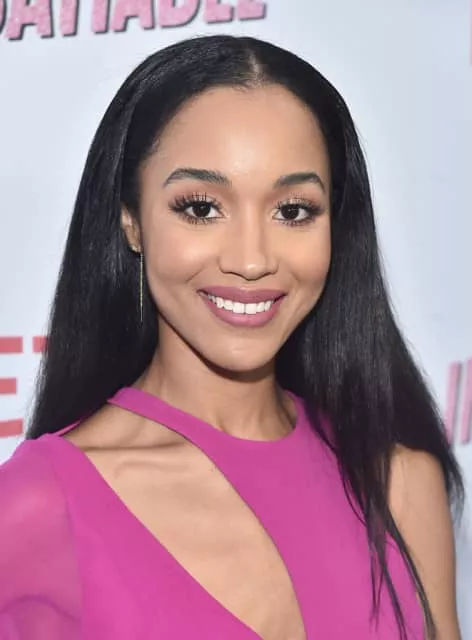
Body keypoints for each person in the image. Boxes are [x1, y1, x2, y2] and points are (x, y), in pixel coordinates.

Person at [0, 34, 464, 640]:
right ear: (131, 221)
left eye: (292, 211)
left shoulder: (399, 484)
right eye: (201, 208)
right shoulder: (38, 507)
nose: (251, 260)